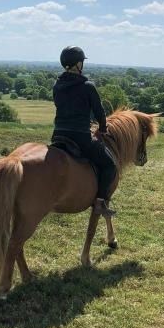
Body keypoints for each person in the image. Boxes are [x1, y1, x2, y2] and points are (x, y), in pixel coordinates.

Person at [51, 46, 117, 218]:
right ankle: (101, 202)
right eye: (82, 62)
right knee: (110, 165)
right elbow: (99, 112)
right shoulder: (87, 86)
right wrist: (102, 128)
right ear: (78, 64)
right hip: (80, 137)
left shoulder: (57, 85)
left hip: (58, 135)